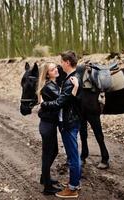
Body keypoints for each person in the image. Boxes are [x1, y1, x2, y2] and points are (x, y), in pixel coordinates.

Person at [41, 51, 82, 199]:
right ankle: (74, 182)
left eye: (61, 62)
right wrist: (75, 91)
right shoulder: (71, 79)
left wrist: (43, 104)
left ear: (67, 62)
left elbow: (60, 102)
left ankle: (72, 188)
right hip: (71, 120)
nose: (59, 65)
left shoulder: (72, 79)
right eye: (53, 69)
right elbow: (70, 100)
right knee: (73, 155)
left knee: (72, 156)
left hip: (69, 122)